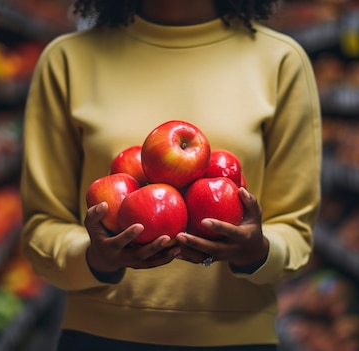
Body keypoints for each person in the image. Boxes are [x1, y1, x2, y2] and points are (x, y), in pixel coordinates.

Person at [20, 0, 322, 350]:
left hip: (237, 337)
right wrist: (96, 258)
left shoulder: (280, 61)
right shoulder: (68, 60)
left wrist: (254, 251)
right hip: (99, 336)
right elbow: (42, 226)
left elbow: (297, 232)